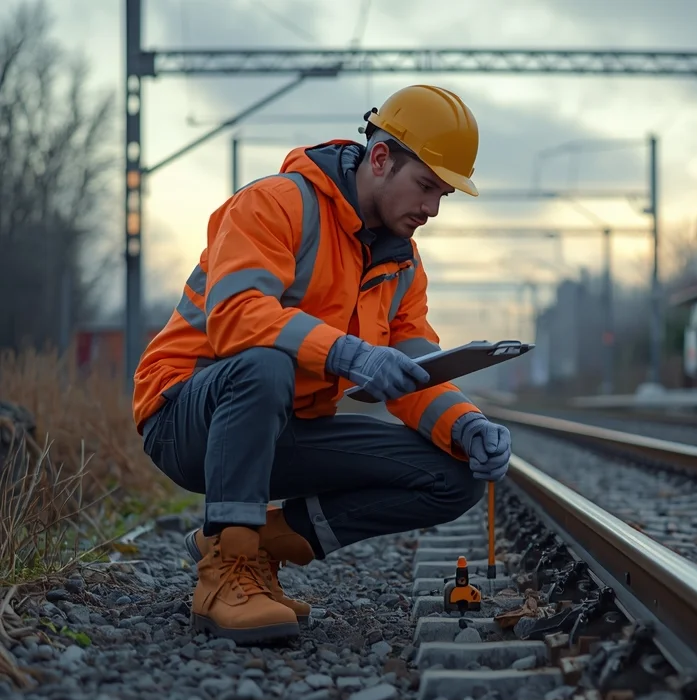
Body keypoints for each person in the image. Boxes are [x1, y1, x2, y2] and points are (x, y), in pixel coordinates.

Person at [132, 84, 512, 644]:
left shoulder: (400, 262)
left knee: (453, 476)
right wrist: (349, 354)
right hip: (187, 417)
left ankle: (254, 546)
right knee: (265, 364)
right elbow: (236, 315)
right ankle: (224, 575)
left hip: (282, 429)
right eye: (426, 186)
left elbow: (413, 362)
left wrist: (466, 423)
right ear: (380, 159)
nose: (432, 208)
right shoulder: (275, 204)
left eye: (444, 195)